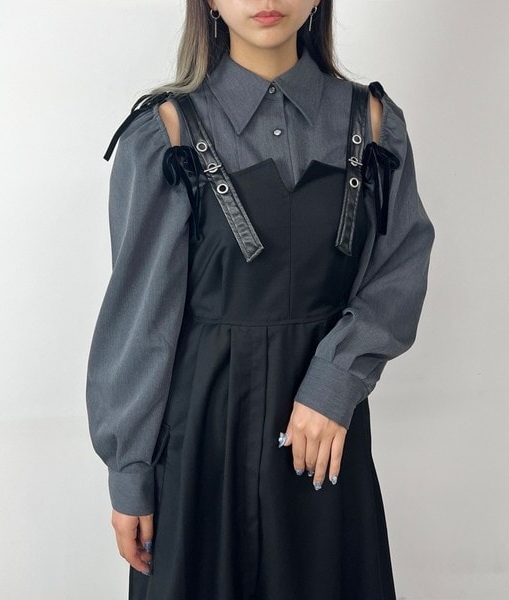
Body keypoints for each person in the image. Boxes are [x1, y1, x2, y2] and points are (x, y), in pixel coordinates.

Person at [86, 1, 435, 598]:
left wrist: (335, 382)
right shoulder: (164, 133)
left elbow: (398, 268)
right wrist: (130, 472)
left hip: (321, 445)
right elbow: (140, 321)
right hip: (198, 448)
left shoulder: (374, 123)